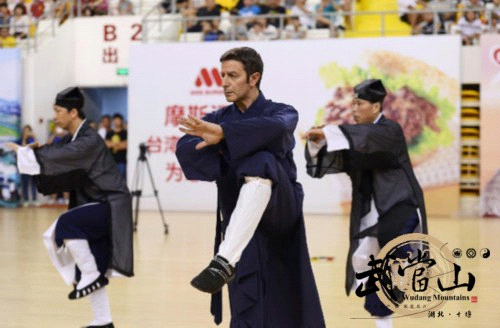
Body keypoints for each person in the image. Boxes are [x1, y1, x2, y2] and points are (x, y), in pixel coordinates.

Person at [176, 47, 325, 327]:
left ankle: (224, 259)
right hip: (239, 219)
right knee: (247, 300)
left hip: (279, 210)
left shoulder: (282, 111)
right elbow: (186, 148)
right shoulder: (219, 117)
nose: (224, 82)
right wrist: (222, 138)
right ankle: (227, 263)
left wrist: (224, 137)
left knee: (262, 160)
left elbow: (279, 128)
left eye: (233, 75)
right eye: (222, 75)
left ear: (253, 77)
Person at [303, 79, 428, 328]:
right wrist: (318, 142)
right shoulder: (355, 137)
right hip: (370, 215)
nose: (354, 110)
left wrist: (330, 132)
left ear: (376, 106)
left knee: (394, 256)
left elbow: (369, 137)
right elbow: (329, 162)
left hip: (399, 207)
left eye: (359, 104)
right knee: (365, 268)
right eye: (353, 104)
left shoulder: (389, 131)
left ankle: (409, 269)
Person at [6, 87, 133, 328]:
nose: (55, 116)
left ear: (73, 112)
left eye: (58, 111)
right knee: (91, 270)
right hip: (95, 204)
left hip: (110, 204)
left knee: (66, 226)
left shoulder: (89, 140)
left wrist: (25, 153)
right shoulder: (71, 138)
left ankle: (90, 275)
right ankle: (103, 320)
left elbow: (61, 156)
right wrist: (38, 152)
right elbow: (56, 153)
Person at [19, 125, 38, 206]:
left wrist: (35, 137)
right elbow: (22, 149)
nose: (27, 132)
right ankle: (26, 200)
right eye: (25, 131)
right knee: (25, 183)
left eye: (28, 130)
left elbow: (37, 147)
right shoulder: (21, 140)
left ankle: (34, 199)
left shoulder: (32, 140)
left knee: (34, 183)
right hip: (24, 165)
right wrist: (24, 138)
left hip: (33, 165)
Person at [105, 113, 128, 179]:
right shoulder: (109, 133)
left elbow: (125, 145)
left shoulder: (125, 133)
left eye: (118, 120)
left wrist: (112, 144)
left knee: (121, 178)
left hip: (122, 161)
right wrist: (118, 144)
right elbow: (106, 144)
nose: (117, 122)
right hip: (111, 161)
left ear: (121, 121)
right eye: (115, 120)